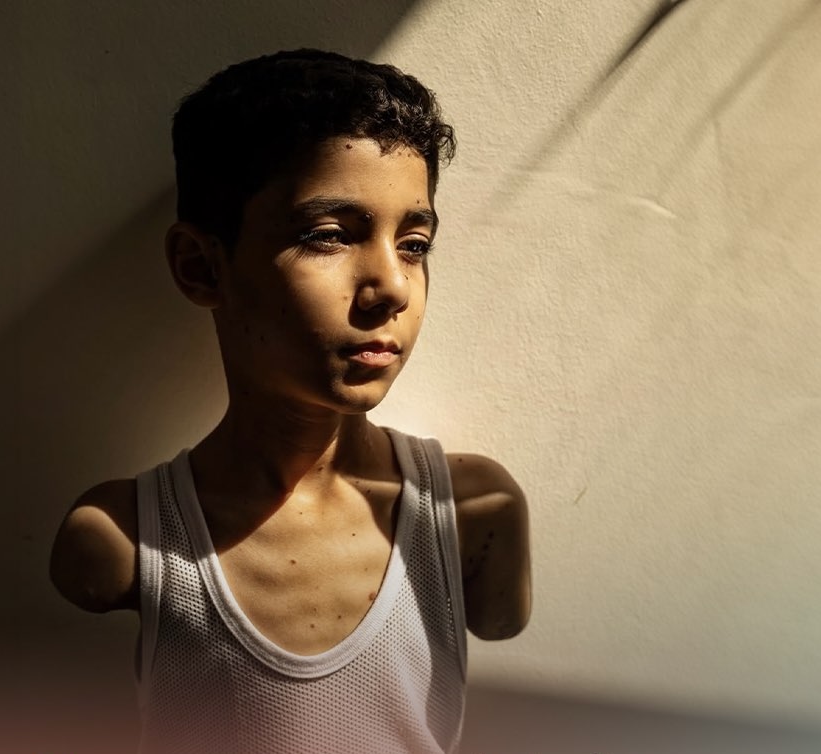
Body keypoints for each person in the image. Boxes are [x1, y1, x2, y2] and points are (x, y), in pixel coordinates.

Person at [50, 49, 531, 754]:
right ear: (200, 267)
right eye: (329, 236)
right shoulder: (126, 536)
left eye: (414, 243)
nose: (391, 287)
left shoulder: (471, 514)